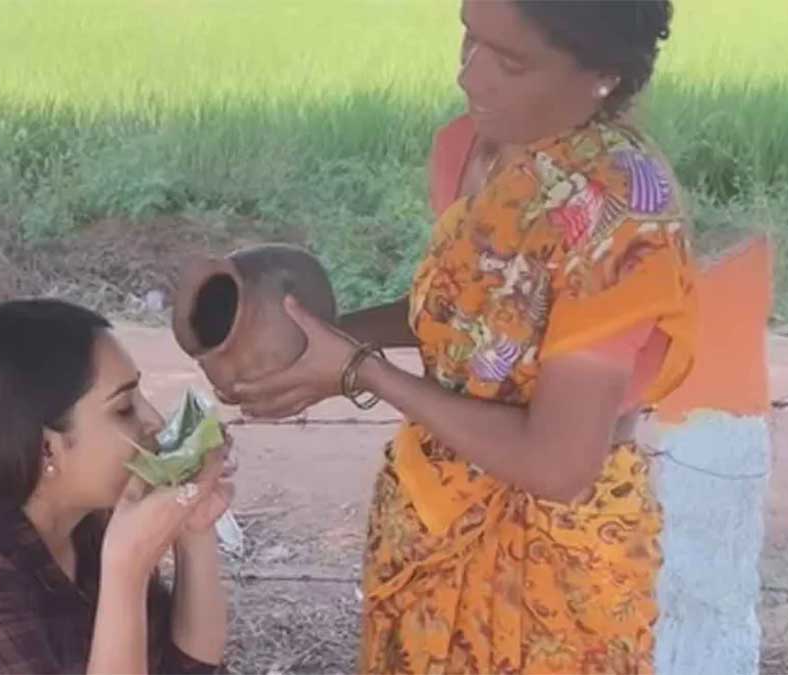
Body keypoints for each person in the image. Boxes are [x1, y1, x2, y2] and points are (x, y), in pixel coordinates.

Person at [230, 1, 694, 672]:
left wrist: (361, 370)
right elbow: (467, 317)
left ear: (603, 76)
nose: (470, 77)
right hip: (430, 513)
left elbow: (559, 466)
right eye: (469, 39)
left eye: (510, 62)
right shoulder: (467, 149)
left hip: (554, 567)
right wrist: (317, 343)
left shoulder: (618, 212)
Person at [0, 299, 234, 674]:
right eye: (123, 408)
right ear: (46, 447)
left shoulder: (82, 521)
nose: (154, 421)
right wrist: (126, 568)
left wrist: (193, 530)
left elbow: (187, 668)